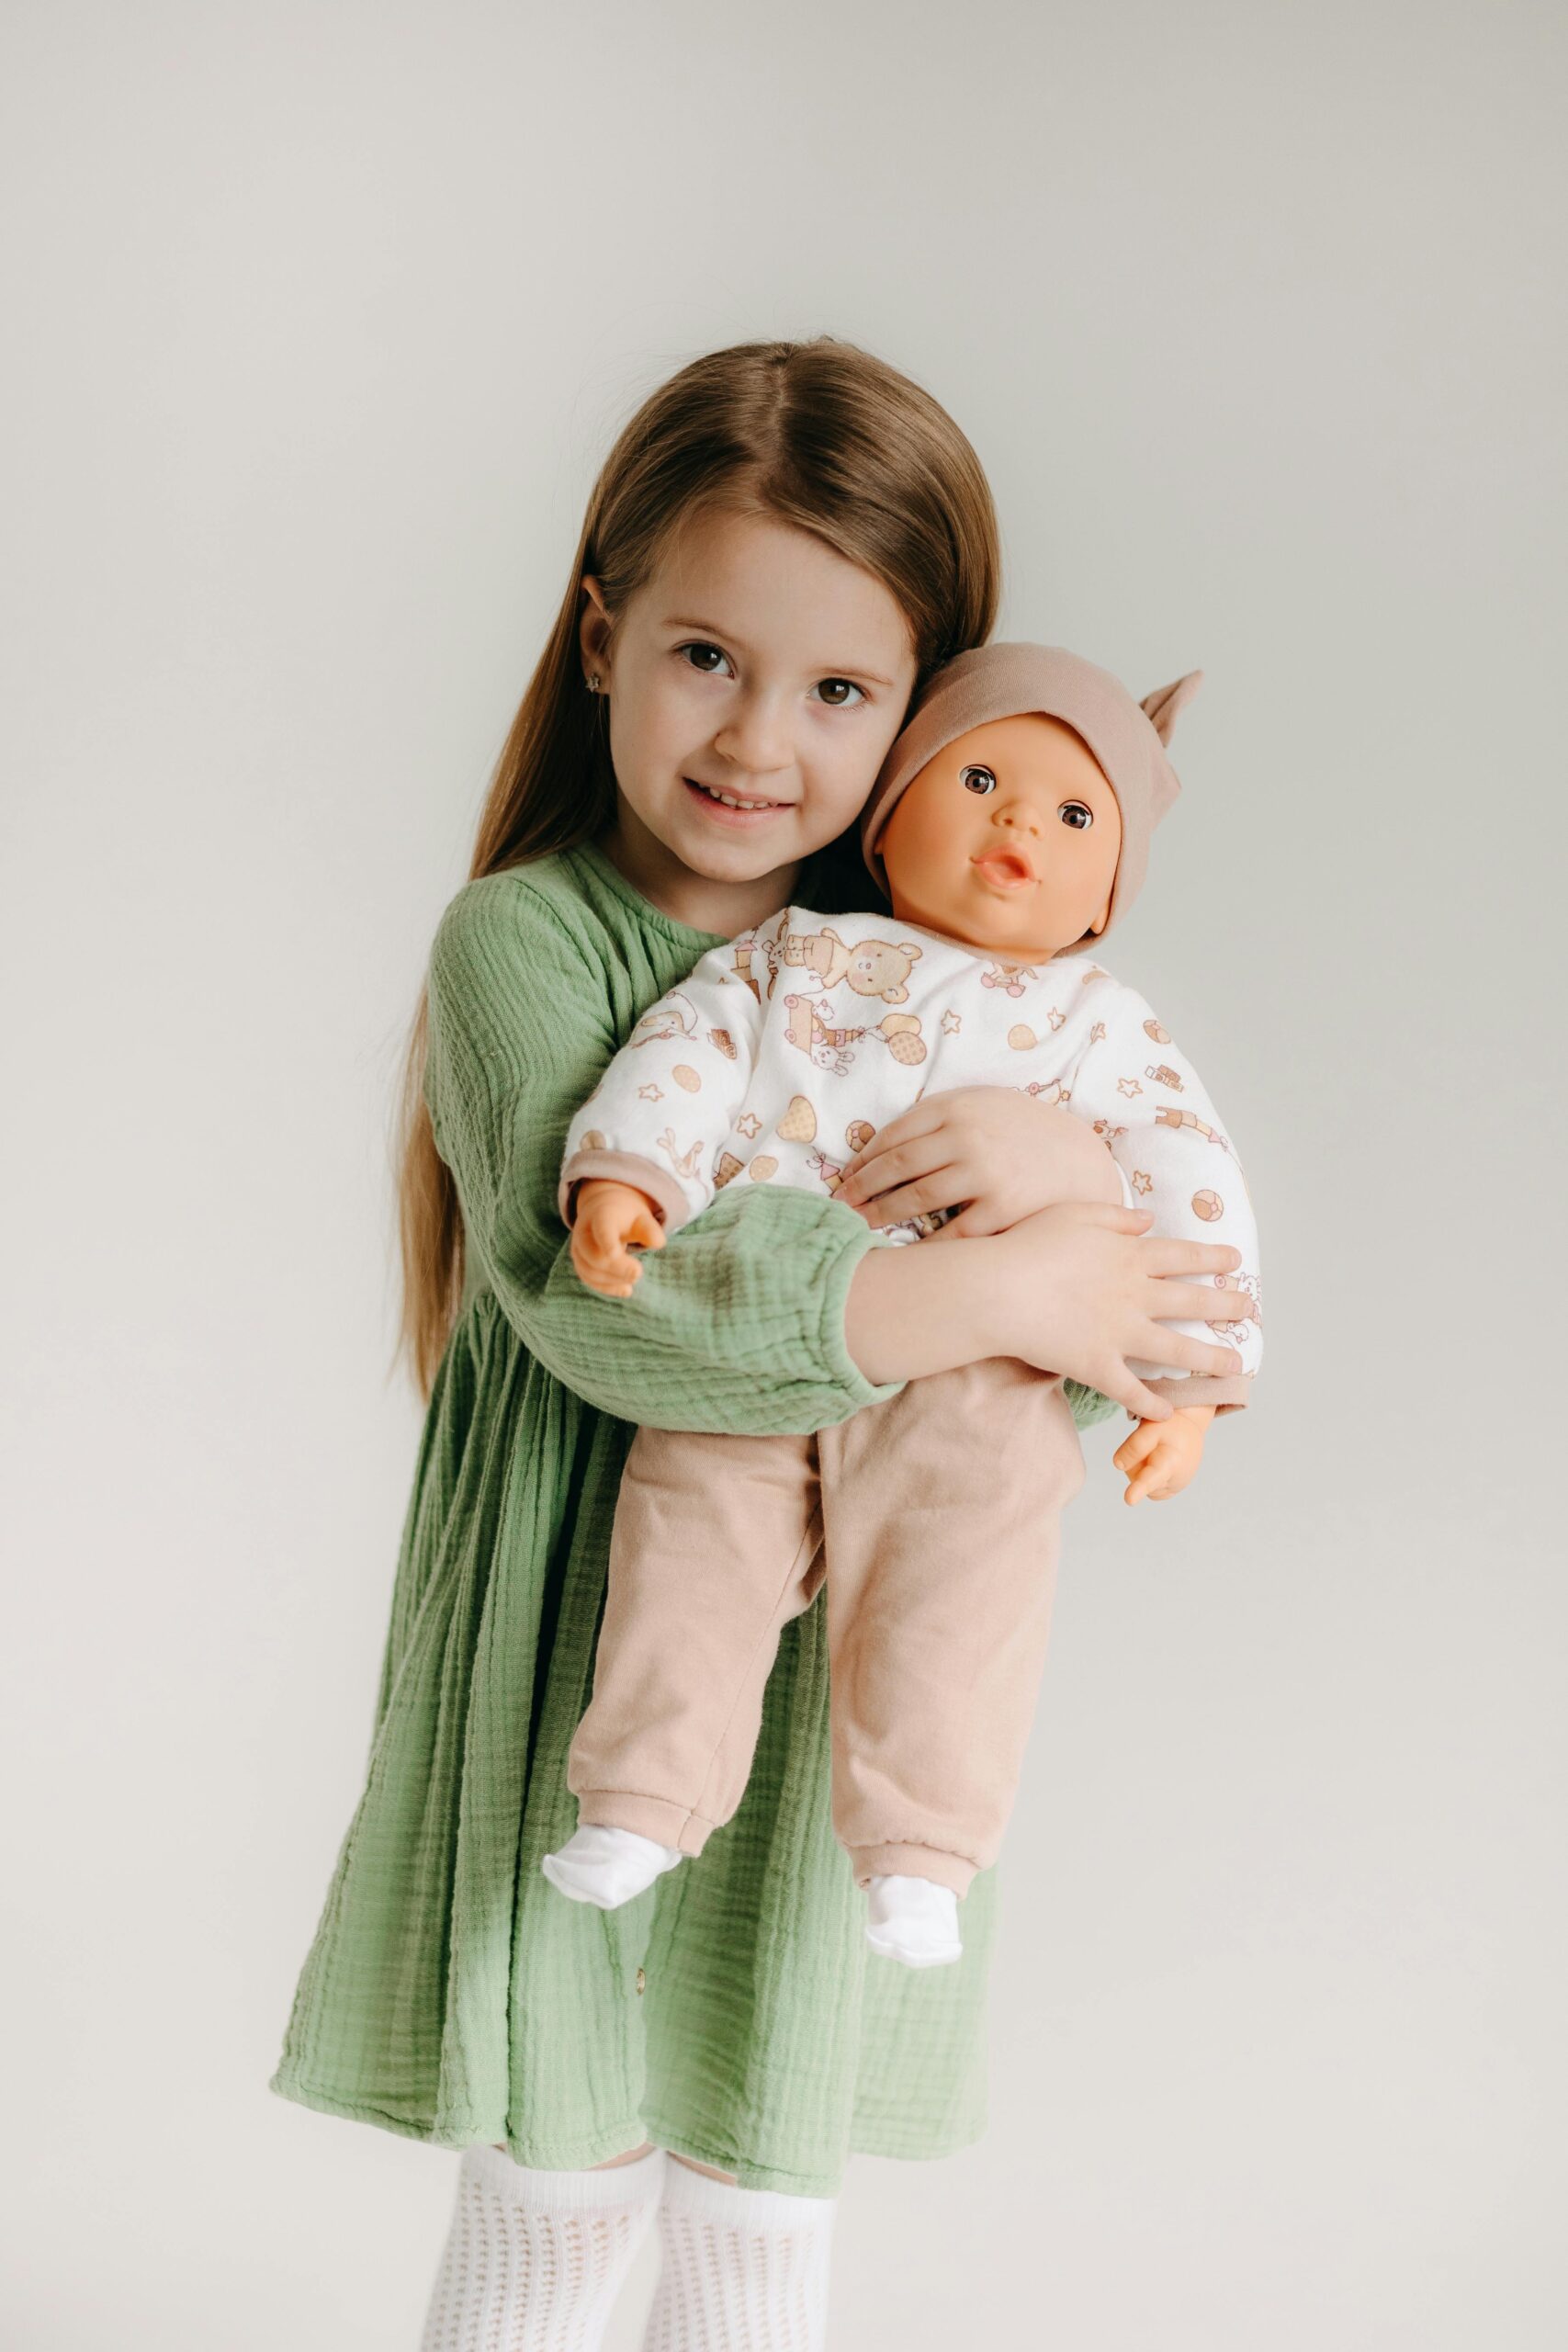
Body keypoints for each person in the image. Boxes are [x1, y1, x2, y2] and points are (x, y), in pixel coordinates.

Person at [269, 338, 1248, 2352]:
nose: (756, 740)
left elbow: (1055, 1378)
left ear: (924, 718)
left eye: (838, 690)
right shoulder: (528, 944)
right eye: (708, 654)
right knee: (555, 2206)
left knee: (754, 2228)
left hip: (830, 1709)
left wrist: (1060, 1187)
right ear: (604, 629)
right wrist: (1001, 1273)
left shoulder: (971, 999)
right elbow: (624, 1313)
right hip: (575, 1668)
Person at [542, 642, 1261, 1970]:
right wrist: (629, 1178)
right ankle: (642, 1794)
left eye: (1072, 815)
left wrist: (1192, 1385)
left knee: (967, 1580)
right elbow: (690, 1055)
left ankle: (922, 1849)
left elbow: (1183, 1178)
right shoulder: (797, 957)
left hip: (980, 1371)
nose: (1015, 828)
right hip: (767, 1325)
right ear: (892, 813)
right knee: (688, 1534)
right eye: (981, 777)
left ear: (1110, 886)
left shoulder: (1101, 1025)